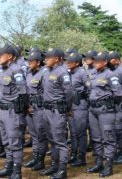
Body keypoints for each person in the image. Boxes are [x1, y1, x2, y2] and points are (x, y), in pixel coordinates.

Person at [0, 44, 27, 179]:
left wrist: (21, 111)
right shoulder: (2, 70)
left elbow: (22, 93)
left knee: (15, 143)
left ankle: (17, 172)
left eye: (2, 54)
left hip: (13, 112)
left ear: (10, 56)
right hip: (3, 111)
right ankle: (8, 167)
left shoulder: (16, 70)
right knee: (6, 142)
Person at [39, 48, 72, 179]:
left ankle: (62, 170)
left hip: (58, 111)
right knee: (52, 140)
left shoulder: (62, 72)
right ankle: (54, 166)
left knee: (60, 141)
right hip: (46, 110)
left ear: (57, 59)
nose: (45, 59)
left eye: (48, 57)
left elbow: (69, 93)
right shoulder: (46, 71)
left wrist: (66, 108)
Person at [86, 51, 117, 177]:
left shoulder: (111, 75)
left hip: (105, 111)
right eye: (95, 61)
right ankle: (98, 163)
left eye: (98, 61)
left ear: (105, 62)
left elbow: (119, 94)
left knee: (108, 138)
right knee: (96, 138)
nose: (95, 63)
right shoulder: (93, 74)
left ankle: (108, 166)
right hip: (93, 111)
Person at [23, 51, 47, 171]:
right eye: (28, 61)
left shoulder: (44, 73)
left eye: (31, 61)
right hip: (29, 109)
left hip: (39, 109)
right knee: (33, 135)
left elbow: (47, 93)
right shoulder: (28, 73)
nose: (29, 63)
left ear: (38, 62)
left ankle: (41, 160)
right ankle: (35, 157)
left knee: (41, 135)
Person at [65, 52, 90, 167]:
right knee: (73, 133)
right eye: (67, 61)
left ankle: (81, 157)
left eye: (70, 62)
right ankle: (74, 154)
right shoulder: (68, 73)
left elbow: (89, 88)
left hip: (80, 105)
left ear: (77, 63)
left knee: (80, 133)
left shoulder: (82, 73)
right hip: (71, 106)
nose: (67, 63)